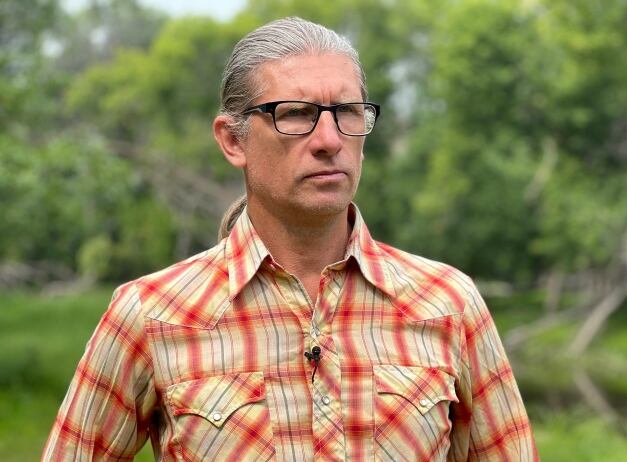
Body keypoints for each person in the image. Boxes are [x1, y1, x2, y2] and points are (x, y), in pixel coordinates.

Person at [43, 17, 537, 461]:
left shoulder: (447, 303)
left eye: (348, 111)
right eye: (296, 113)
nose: (329, 139)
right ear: (233, 140)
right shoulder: (151, 314)